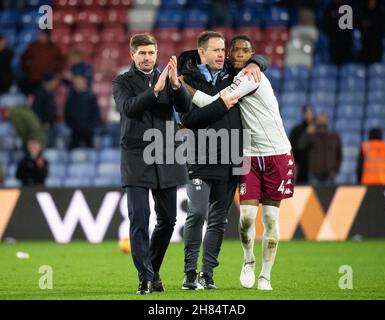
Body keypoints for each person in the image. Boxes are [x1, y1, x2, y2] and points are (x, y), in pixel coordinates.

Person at [191, 34, 295, 290]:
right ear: (229, 54)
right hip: (248, 154)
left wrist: (184, 87)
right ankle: (248, 260)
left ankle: (266, 275)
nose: (240, 54)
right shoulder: (237, 75)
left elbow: (215, 102)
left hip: (277, 154)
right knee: (247, 217)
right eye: (235, 50)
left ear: (251, 53)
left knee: (271, 220)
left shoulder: (251, 76)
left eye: (246, 51)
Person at [178, 31, 268, 290]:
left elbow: (261, 58)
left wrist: (255, 63)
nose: (221, 54)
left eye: (222, 50)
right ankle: (189, 273)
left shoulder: (236, 75)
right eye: (215, 50)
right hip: (200, 157)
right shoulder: (186, 80)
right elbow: (187, 120)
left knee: (219, 220)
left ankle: (207, 274)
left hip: (232, 157)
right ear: (202, 53)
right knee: (196, 214)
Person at [112, 33, 192, 295]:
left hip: (166, 155)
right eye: (142, 53)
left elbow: (186, 108)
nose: (147, 58)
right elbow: (129, 108)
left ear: (157, 53)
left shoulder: (169, 78)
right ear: (132, 55)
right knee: (139, 218)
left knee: (168, 220)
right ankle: (145, 277)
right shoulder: (121, 82)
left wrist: (176, 86)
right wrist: (155, 90)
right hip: (135, 156)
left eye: (151, 53)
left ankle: (152, 270)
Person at [298, 112, 342, 185]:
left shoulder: (334, 137)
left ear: (327, 121)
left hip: (329, 175)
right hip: (314, 174)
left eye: (324, 120)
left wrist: (335, 170)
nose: (322, 122)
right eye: (320, 120)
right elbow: (301, 146)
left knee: (329, 196)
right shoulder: (312, 135)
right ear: (317, 121)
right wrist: (307, 133)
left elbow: (339, 155)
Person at [21, 29, 65, 95]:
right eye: (39, 35)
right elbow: (24, 59)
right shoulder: (33, 46)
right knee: (35, 99)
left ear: (47, 36)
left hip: (49, 80)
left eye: (42, 35)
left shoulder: (54, 48)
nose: (40, 36)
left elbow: (61, 60)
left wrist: (56, 70)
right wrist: (29, 71)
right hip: (35, 79)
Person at [64, 75, 101, 149]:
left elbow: (96, 113)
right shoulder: (71, 97)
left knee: (91, 151)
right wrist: (72, 125)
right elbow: (67, 113)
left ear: (84, 83)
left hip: (88, 130)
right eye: (76, 83)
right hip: (75, 130)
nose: (77, 85)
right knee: (72, 150)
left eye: (80, 83)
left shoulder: (91, 96)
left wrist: (91, 126)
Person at [31, 72, 59, 148]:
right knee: (46, 148)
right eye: (54, 81)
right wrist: (43, 122)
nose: (56, 83)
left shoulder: (50, 93)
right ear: (49, 81)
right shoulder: (40, 93)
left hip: (52, 125)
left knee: (52, 148)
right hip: (44, 127)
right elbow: (36, 110)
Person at [289, 105, 315, 184]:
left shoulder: (317, 129)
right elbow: (292, 148)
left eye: (310, 113)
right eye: (306, 113)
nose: (308, 115)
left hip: (313, 168)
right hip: (300, 166)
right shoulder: (297, 130)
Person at [322, 0, 353, 65]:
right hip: (332, 44)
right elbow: (325, 25)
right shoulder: (329, 8)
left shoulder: (347, 8)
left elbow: (349, 28)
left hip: (345, 44)